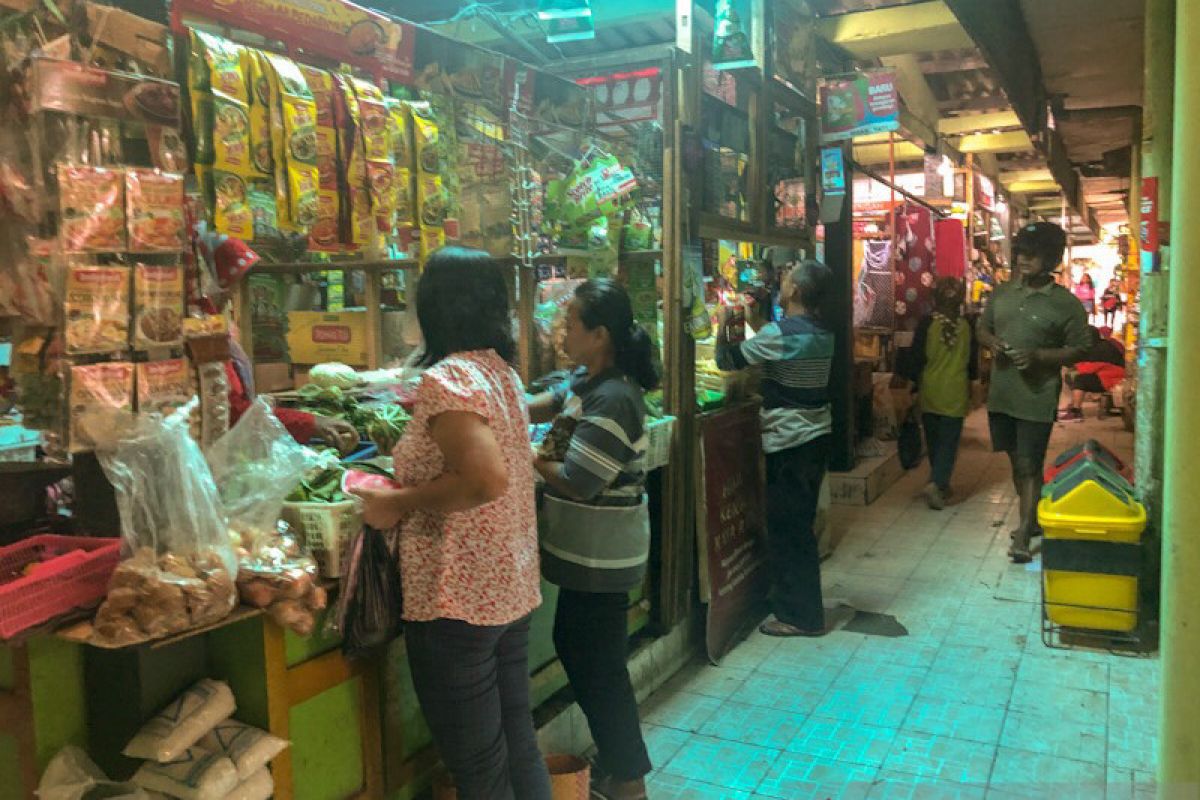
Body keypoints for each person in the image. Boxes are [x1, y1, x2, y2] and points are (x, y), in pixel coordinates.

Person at [350, 247, 551, 800]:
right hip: (505, 589)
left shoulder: (450, 378)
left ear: (434, 306)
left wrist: (399, 501)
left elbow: (485, 479)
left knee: (481, 770)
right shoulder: (499, 371)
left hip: (455, 599)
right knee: (517, 745)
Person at [529, 279, 656, 800]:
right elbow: (546, 402)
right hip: (589, 556)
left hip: (604, 557)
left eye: (571, 322)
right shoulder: (588, 381)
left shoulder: (616, 399)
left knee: (597, 667)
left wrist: (531, 461)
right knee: (582, 652)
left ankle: (628, 779)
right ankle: (621, 766)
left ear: (600, 334)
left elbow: (580, 481)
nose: (562, 330)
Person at [715, 260, 835, 637]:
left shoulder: (781, 334)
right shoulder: (821, 332)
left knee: (788, 529)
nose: (781, 281)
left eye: (787, 277)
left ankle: (801, 617)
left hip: (789, 441)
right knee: (799, 525)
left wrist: (725, 322)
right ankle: (798, 606)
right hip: (816, 438)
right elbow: (777, 354)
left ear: (795, 291)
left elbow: (726, 361)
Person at [977, 223, 1091, 564]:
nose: (1024, 260)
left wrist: (1039, 356)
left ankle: (1024, 532)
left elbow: (1082, 348)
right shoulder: (1002, 293)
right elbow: (982, 328)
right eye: (1021, 253)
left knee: (1029, 463)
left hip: (1037, 395)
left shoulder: (1065, 304)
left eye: (1033, 254)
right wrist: (992, 343)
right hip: (1003, 395)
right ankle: (1033, 519)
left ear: (1052, 258)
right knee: (1016, 461)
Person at [897, 277, 978, 511]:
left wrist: (911, 387)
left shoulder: (927, 324)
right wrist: (974, 388)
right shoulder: (966, 326)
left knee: (933, 440)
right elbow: (972, 363)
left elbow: (916, 358)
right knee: (949, 443)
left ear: (935, 298)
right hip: (955, 392)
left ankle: (939, 482)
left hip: (930, 390)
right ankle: (938, 483)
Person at [1060, 326, 1126, 422]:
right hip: (1111, 377)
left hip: (1110, 379)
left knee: (1080, 379)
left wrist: (1074, 365)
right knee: (1075, 377)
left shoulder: (1097, 349)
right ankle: (1074, 405)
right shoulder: (1105, 345)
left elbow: (1089, 367)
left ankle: (1076, 411)